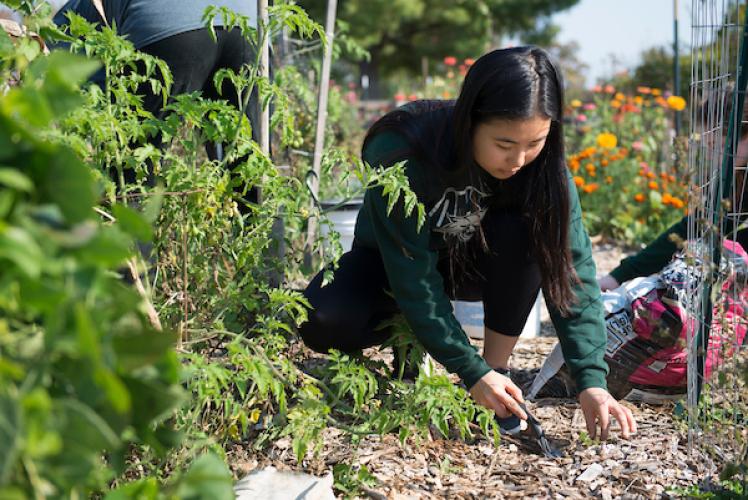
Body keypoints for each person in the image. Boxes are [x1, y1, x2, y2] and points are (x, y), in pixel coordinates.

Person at [299, 46, 636, 441]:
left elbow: (571, 270)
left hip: (477, 268)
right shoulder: (407, 151)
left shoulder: (544, 171)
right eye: (504, 144)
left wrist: (591, 379)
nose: (519, 159)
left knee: (528, 230)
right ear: (469, 121)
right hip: (392, 268)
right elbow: (413, 277)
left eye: (535, 142)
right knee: (321, 319)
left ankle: (498, 373)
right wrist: (467, 367)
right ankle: (419, 347)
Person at [52, 0, 260, 194]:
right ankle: (265, 229)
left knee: (134, 169)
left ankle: (132, 228)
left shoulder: (73, 15)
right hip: (247, 24)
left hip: (167, 28)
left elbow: (87, 87)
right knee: (250, 164)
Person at [599, 88, 748, 291]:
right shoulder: (738, 175)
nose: (714, 157)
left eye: (719, 146)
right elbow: (697, 227)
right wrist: (619, 277)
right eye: (708, 147)